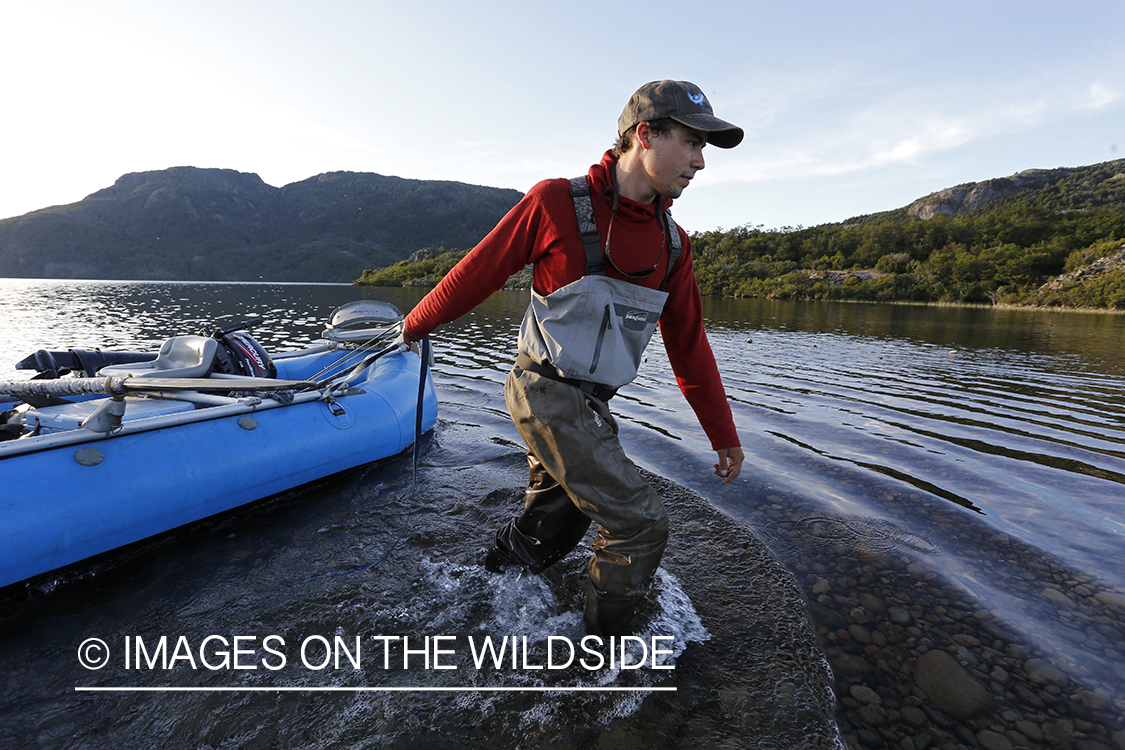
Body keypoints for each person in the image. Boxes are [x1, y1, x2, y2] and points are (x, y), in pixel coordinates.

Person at [403, 80, 745, 636]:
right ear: (645, 135)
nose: (701, 163)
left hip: (591, 406)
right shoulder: (554, 202)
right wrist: (413, 326)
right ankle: (601, 658)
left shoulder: (675, 244)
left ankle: (478, 597)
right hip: (543, 391)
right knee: (639, 525)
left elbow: (690, 345)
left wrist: (723, 434)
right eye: (692, 143)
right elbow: (477, 274)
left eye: (704, 149)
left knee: (555, 526)